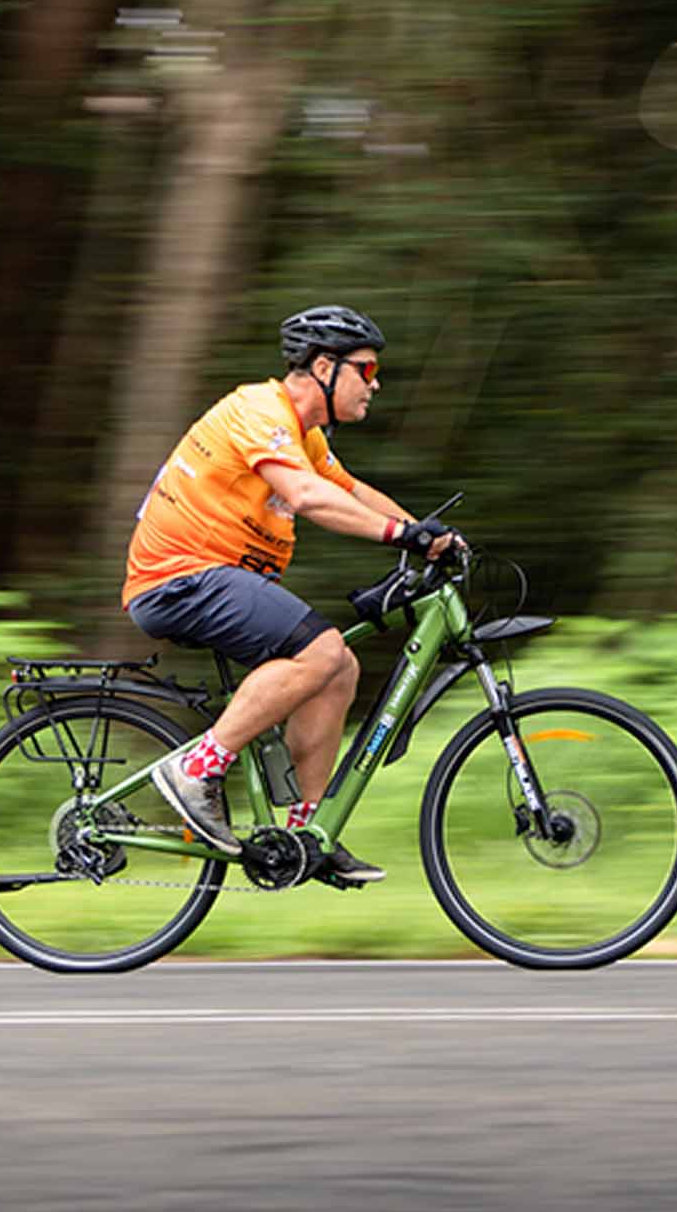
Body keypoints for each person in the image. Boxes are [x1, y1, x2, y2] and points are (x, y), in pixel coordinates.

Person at [121, 304, 461, 882]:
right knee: (320, 649)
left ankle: (309, 832)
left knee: (339, 667)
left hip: (219, 580)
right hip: (180, 578)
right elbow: (305, 496)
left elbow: (348, 491)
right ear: (325, 367)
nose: (375, 384)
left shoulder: (306, 436)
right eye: (367, 369)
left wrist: (428, 536)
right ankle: (196, 770)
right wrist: (400, 536)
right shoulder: (259, 410)